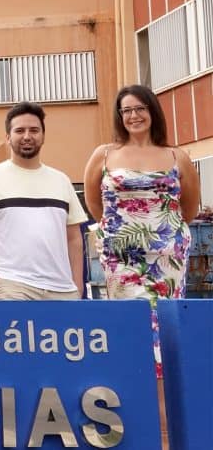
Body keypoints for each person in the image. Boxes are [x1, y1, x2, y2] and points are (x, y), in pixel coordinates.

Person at [83, 84, 199, 376]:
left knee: (165, 322)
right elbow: (94, 202)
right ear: (120, 116)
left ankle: (164, 392)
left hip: (167, 258)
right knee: (130, 322)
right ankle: (133, 385)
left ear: (152, 111)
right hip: (121, 258)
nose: (134, 116)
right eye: (127, 110)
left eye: (140, 108)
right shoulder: (104, 154)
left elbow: (189, 208)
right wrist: (118, 230)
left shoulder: (176, 156)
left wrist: (163, 232)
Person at [0, 102, 86, 300]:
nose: (27, 136)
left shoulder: (61, 180)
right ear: (8, 137)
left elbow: (74, 238)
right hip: (13, 287)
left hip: (62, 290)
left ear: (43, 136)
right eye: (19, 130)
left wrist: (77, 286)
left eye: (34, 130)